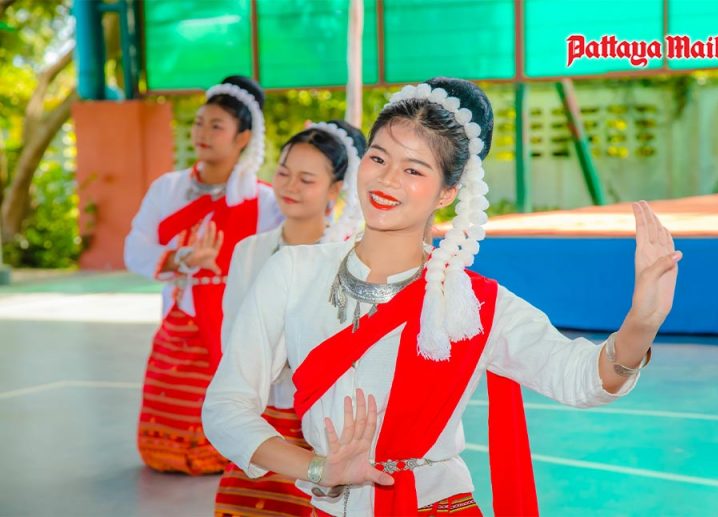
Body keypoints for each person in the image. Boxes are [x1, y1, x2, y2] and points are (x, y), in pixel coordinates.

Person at [203, 77, 682, 515]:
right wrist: (318, 469)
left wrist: (640, 324)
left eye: (414, 170)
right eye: (378, 158)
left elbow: (580, 377)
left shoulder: (476, 304)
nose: (387, 180)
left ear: (448, 192)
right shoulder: (292, 272)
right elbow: (226, 408)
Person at [124, 75, 281, 475]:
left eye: (216, 126)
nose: (202, 133)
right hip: (179, 318)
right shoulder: (167, 188)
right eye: (198, 123)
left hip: (234, 324)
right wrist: (181, 259)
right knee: (170, 398)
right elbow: (135, 249)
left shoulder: (264, 200)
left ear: (242, 137)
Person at [214, 120, 366, 516]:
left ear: (335, 189)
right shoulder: (249, 250)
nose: (290, 186)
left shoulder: (349, 258)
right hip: (260, 413)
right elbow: (233, 334)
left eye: (307, 179)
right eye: (283, 173)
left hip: (321, 418)